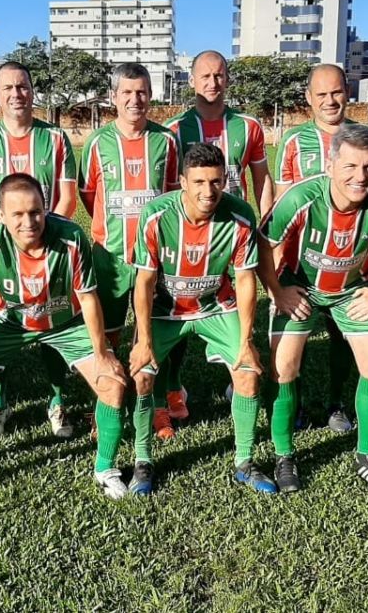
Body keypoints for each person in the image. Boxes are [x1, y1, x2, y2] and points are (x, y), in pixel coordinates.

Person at [0, 174, 130, 500]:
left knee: (112, 383)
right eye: (17, 214)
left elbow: (88, 298)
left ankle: (105, 468)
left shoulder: (70, 236)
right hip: (10, 321)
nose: (29, 221)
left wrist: (102, 354)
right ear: (0, 215)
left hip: (65, 322)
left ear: (45, 208)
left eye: (35, 211)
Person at [257, 124, 368, 493]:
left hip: (352, 289)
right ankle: (284, 456)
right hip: (301, 287)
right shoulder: (301, 199)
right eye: (350, 167)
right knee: (283, 367)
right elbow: (263, 247)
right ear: (331, 165)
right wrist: (278, 291)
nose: (360, 177)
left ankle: (367, 456)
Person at [129, 143, 270, 495]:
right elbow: (144, 282)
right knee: (142, 377)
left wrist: (246, 341)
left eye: (216, 181)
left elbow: (245, 280)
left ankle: (244, 461)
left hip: (215, 307)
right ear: (182, 182)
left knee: (249, 374)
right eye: (199, 182)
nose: (209, 191)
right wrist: (144, 341)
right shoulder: (156, 215)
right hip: (165, 310)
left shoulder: (239, 216)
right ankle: (142, 461)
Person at [0, 61, 78, 440]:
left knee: (51, 317)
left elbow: (66, 199)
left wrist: (45, 247)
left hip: (48, 251)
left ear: (33, 90)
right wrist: (2, 251)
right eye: (8, 87)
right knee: (0, 322)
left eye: (23, 86)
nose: (17, 94)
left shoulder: (56, 138)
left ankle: (56, 400)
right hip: (2, 257)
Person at [162, 50, 271, 422]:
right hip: (192, 236)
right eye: (205, 76)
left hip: (235, 235)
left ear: (228, 79)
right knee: (180, 306)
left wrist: (263, 225)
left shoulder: (248, 127)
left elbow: (262, 180)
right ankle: (174, 386)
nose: (212, 82)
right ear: (191, 81)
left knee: (239, 304)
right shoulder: (174, 130)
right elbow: (169, 188)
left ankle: (236, 372)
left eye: (219, 75)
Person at [79, 63, 179, 439]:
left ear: (150, 96)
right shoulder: (97, 142)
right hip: (110, 256)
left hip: (155, 258)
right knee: (106, 337)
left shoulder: (166, 141)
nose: (135, 100)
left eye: (142, 92)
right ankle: (105, 404)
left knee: (153, 331)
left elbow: (172, 196)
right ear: (114, 97)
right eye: (127, 93)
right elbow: (90, 196)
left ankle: (156, 408)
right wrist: (111, 230)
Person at [271, 63, 360, 432]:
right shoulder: (294, 141)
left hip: (348, 256)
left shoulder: (363, 136)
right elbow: (280, 203)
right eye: (321, 94)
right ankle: (299, 402)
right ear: (308, 98)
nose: (329, 100)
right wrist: (278, 262)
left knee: (344, 334)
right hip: (300, 260)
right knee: (298, 335)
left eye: (336, 92)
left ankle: (338, 402)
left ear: (347, 92)